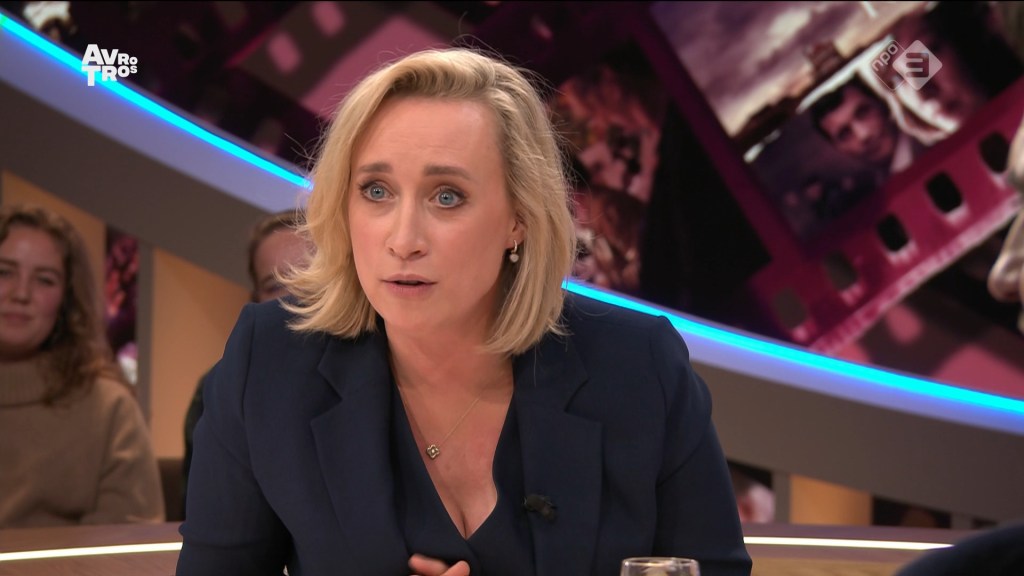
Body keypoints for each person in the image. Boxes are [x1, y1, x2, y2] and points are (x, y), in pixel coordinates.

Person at [176, 47, 751, 576]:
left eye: (446, 196)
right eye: (376, 191)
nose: (403, 240)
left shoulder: (639, 366)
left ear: (518, 218)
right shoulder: (270, 364)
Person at [0, 204, 163, 528]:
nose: (21, 293)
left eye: (44, 280)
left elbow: (128, 544)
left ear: (66, 300)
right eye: (4, 272)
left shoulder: (108, 408)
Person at [181, 208, 310, 518]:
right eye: (276, 285)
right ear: (255, 300)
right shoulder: (222, 389)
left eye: (307, 277)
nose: (293, 297)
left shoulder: (384, 372)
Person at [810, 75, 927, 183]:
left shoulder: (927, 147)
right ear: (837, 148)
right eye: (845, 133)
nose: (863, 135)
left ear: (881, 103)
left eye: (863, 112)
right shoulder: (879, 183)